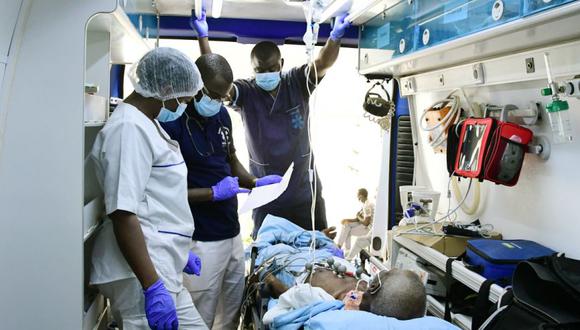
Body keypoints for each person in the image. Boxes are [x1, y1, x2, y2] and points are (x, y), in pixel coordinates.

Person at [190, 9, 350, 237]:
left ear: (281, 64)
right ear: (252, 69)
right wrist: (203, 39)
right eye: (259, 71)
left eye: (271, 69)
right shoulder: (246, 91)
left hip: (304, 191)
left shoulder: (296, 82)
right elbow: (219, 83)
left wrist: (335, 37)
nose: (265, 74)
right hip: (266, 192)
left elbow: (323, 63)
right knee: (267, 253)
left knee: (316, 246)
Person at [161, 53, 282, 330]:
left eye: (223, 97)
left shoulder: (221, 115)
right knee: (199, 315)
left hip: (231, 231)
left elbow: (230, 159)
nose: (216, 102)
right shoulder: (172, 121)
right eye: (212, 95)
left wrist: (254, 182)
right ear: (195, 86)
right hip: (199, 238)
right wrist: (211, 193)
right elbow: (163, 191)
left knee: (231, 311)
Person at [89, 47, 208, 330]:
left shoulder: (146, 123)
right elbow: (123, 212)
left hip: (158, 261)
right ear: (166, 88)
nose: (183, 106)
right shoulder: (129, 128)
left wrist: (178, 251)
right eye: (183, 99)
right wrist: (152, 286)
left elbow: (154, 199)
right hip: (140, 274)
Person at [337, 188, 374, 258]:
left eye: (358, 195)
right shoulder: (365, 204)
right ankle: (342, 247)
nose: (357, 197)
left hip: (368, 228)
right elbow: (358, 219)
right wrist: (347, 220)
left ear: (361, 196)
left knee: (348, 232)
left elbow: (366, 222)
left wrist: (359, 217)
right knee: (346, 224)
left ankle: (343, 249)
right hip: (364, 225)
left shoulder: (367, 205)